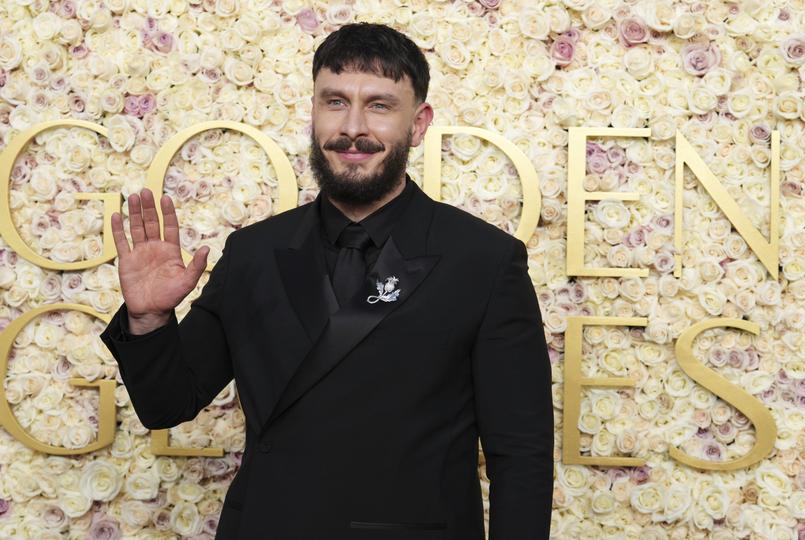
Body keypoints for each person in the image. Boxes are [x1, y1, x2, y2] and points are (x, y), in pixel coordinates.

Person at [101, 23, 553, 540]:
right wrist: (150, 318)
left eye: (380, 106)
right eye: (335, 102)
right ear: (314, 111)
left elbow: (521, 453)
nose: (353, 128)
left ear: (419, 122)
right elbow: (166, 404)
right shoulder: (255, 252)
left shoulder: (484, 260)